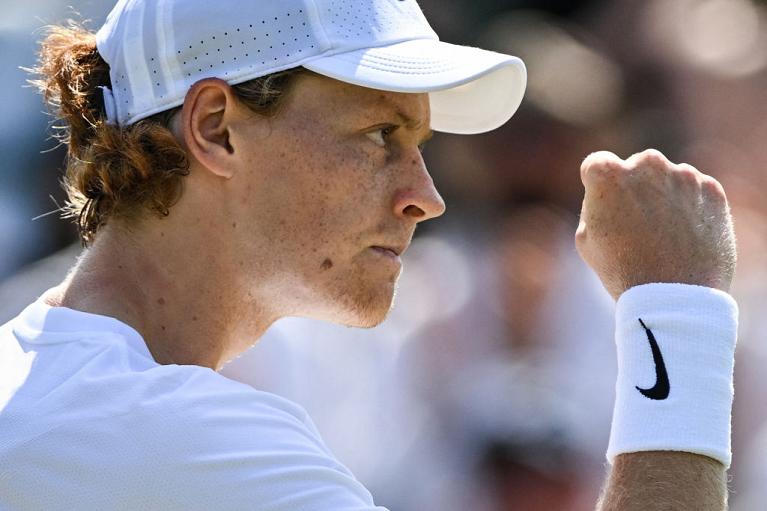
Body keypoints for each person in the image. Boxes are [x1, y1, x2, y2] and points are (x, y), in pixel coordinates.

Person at [0, 1, 738, 510]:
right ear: (217, 129)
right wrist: (676, 309)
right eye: (379, 135)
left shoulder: (64, 387)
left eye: (418, 146)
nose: (424, 196)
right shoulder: (173, 432)